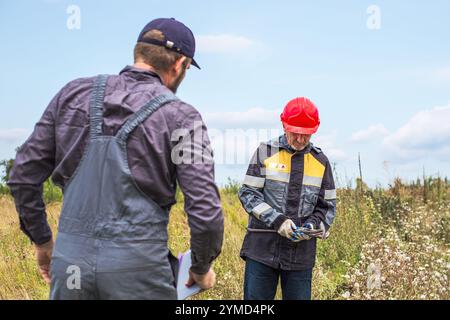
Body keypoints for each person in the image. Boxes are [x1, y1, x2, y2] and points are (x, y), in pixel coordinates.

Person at [7, 17, 224, 300]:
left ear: (139, 53)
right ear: (179, 64)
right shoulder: (182, 117)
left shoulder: (72, 94)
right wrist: (200, 267)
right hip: (140, 271)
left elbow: (23, 175)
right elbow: (205, 210)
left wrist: (43, 242)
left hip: (70, 265)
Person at [238, 97, 336, 300]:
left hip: (301, 255)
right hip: (262, 250)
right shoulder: (265, 152)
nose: (301, 139)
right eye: (295, 133)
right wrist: (278, 220)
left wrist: (312, 227)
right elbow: (248, 193)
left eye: (306, 135)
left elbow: (326, 206)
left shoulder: (321, 161)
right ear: (284, 125)